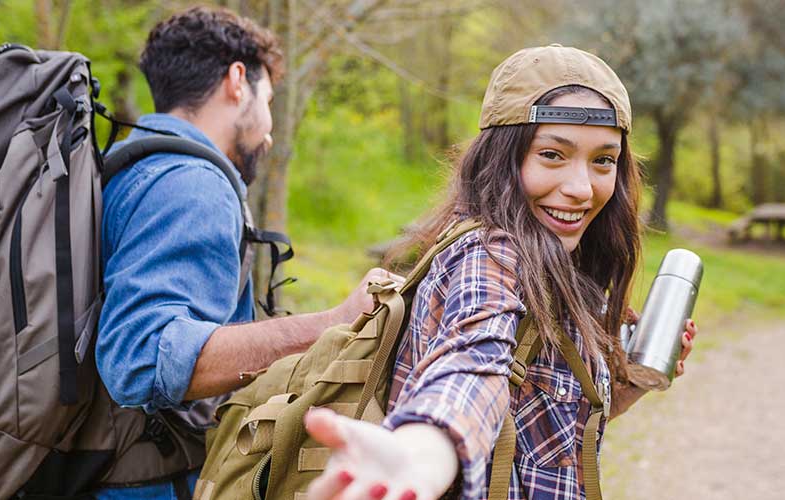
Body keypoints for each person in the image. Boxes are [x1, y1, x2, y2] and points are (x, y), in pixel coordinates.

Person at [302, 45, 698, 500]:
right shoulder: (488, 255)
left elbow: (545, 436)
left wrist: (622, 387)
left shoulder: (565, 263)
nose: (580, 188)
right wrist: (424, 450)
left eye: (603, 160)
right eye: (552, 154)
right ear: (504, 158)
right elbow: (473, 363)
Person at [95, 7, 390, 498]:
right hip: (142, 482)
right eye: (268, 99)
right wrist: (333, 322)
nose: (271, 132)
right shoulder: (192, 183)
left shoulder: (130, 164)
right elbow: (140, 357)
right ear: (238, 81)